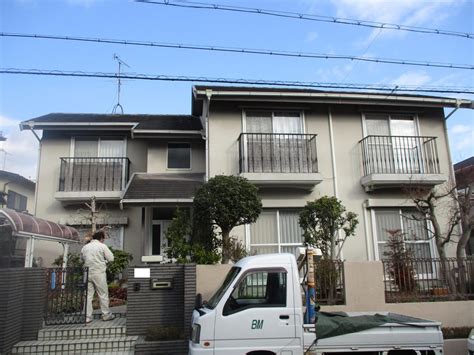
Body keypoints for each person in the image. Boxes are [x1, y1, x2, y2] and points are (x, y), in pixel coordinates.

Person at [81, 229, 115, 323]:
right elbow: (111, 258)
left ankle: (87, 317)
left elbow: (82, 259)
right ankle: (106, 315)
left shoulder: (85, 247)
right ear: (101, 238)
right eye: (103, 238)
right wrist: (104, 261)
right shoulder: (102, 246)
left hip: (87, 273)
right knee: (103, 294)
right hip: (99, 272)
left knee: (88, 295)